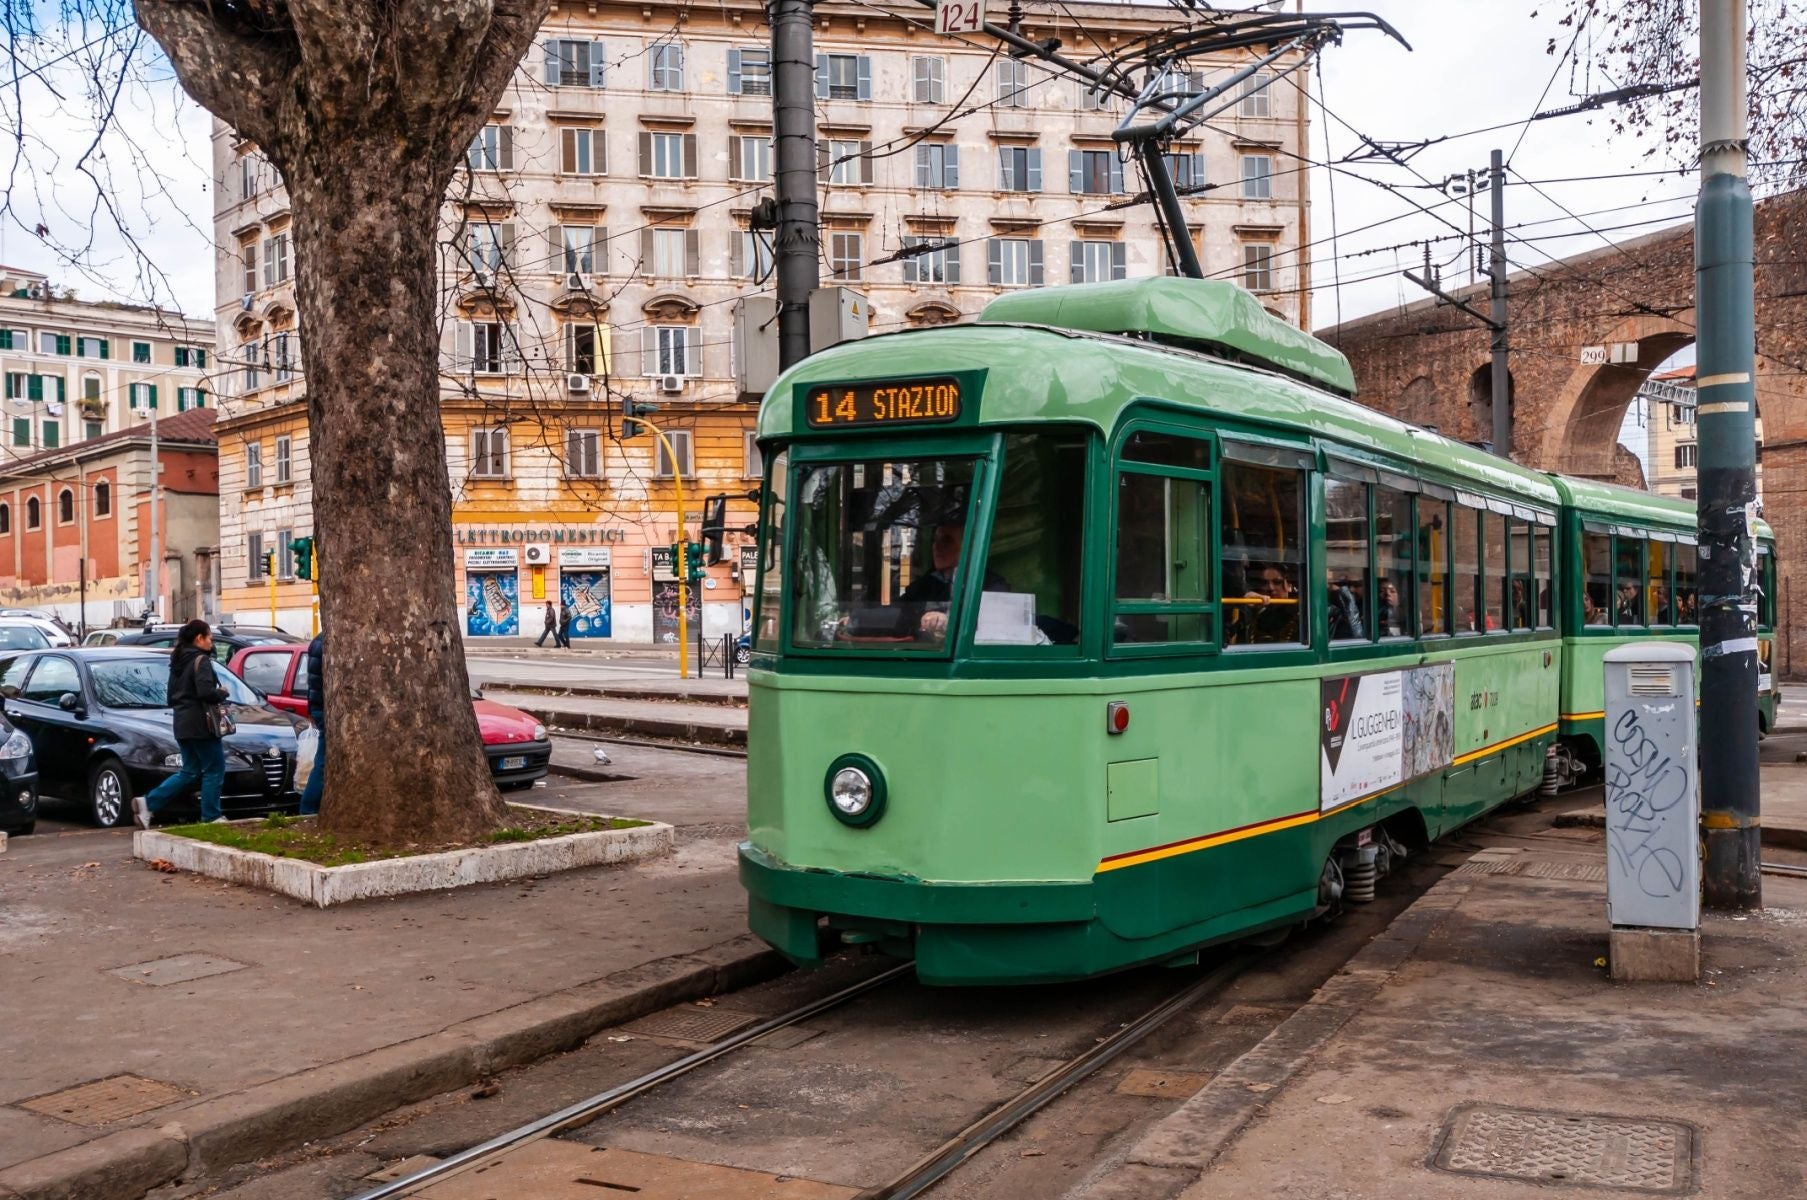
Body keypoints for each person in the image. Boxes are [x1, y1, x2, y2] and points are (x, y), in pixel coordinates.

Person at [131, 619, 230, 829]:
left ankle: (148, 803)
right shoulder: (201, 660)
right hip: (202, 725)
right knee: (214, 769)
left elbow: (171, 696)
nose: (212, 643)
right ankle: (211, 817)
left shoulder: (177, 661)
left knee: (190, 771)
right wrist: (221, 693)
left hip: (182, 723)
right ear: (199, 638)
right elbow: (205, 692)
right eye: (209, 638)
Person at [895, 519, 1005, 640]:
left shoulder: (990, 585)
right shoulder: (922, 585)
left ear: (968, 548)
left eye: (946, 541)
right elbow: (899, 618)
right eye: (935, 540)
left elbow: (996, 626)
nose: (936, 547)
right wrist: (921, 619)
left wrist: (949, 620)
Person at [1229, 563, 1299, 644]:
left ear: (1289, 586)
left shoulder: (1298, 616)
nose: (1270, 588)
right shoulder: (1257, 615)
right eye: (1265, 583)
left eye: (1277, 582)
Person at [299, 631, 325, 816]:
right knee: (322, 762)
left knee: (323, 760)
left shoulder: (317, 641)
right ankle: (308, 809)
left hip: (318, 706)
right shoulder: (326, 642)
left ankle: (309, 807)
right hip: (324, 707)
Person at [1327, 571, 1363, 641]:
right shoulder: (1334, 609)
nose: (1352, 590)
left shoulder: (1364, 604)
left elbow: (1357, 634)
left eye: (1357, 585)